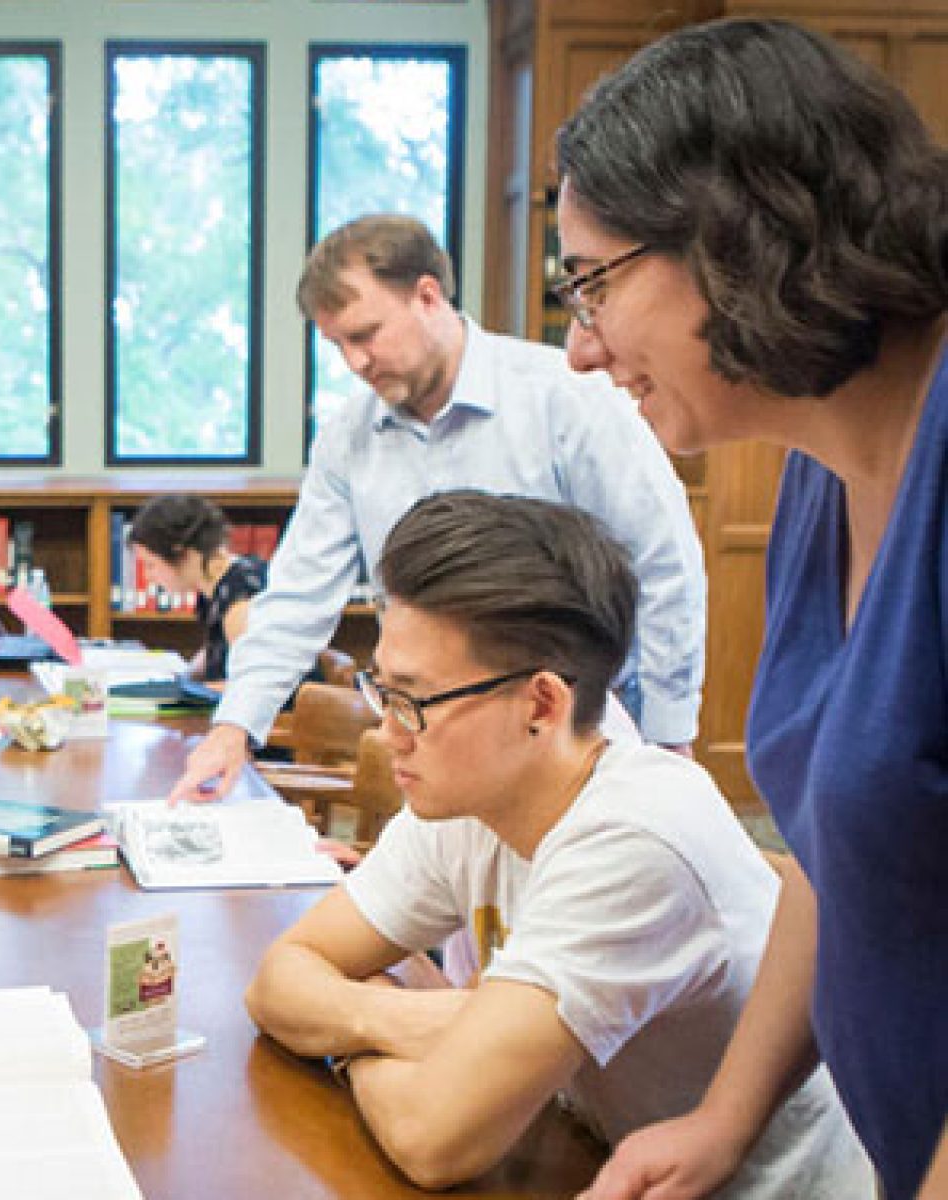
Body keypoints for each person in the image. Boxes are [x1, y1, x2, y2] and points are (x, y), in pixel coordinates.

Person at [552, 19, 948, 1200]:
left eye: (593, 285)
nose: (580, 349)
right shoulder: (823, 480)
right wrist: (725, 1118)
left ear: (735, 234)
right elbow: (836, 858)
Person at [242, 492, 871, 1197]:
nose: (388, 730)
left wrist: (346, 1042)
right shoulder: (463, 798)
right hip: (588, 1151)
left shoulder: (632, 839)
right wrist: (405, 1019)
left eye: (412, 700)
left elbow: (434, 1137)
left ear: (541, 705)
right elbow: (280, 976)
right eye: (381, 690)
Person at [169, 215, 707, 803]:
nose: (355, 363)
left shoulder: (567, 397)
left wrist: (668, 737)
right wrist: (235, 728)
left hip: (579, 739)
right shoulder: (348, 438)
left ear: (428, 296)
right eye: (337, 345)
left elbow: (664, 565)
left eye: (366, 334)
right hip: (435, 746)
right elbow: (299, 593)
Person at [126, 494, 266, 682]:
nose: (148, 577)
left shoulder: (241, 599)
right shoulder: (217, 588)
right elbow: (214, 655)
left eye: (151, 565)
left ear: (184, 554)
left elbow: (253, 688)